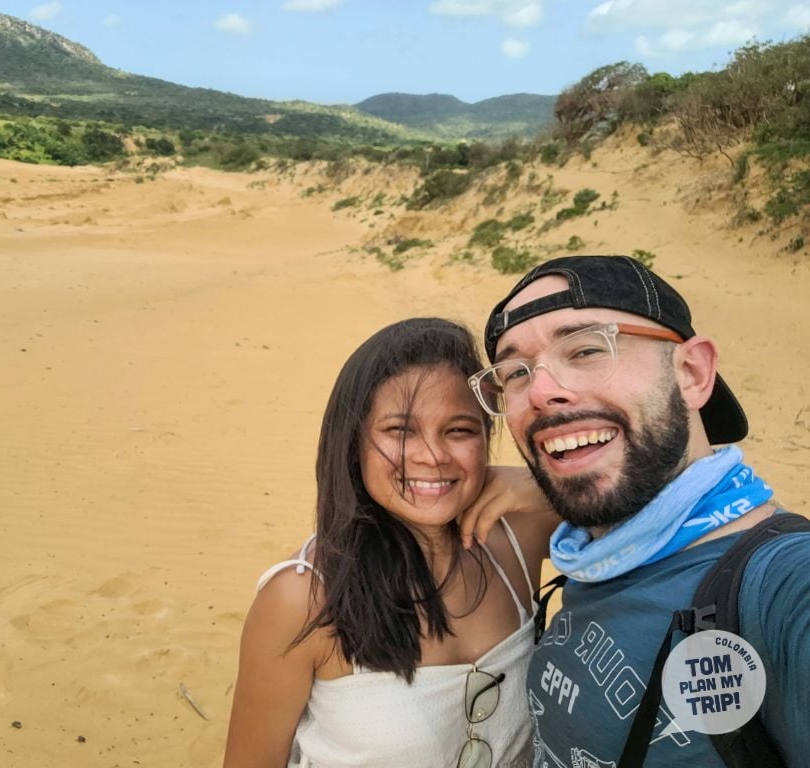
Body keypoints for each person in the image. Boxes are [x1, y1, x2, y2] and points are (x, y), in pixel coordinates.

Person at [475, 254, 810, 766]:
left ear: (693, 373)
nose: (541, 392)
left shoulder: (781, 586)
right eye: (515, 373)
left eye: (586, 348)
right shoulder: (593, 547)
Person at [223, 317, 559, 768]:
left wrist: (545, 486)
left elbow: (654, 514)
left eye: (459, 430)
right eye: (400, 431)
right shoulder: (301, 598)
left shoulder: (519, 536)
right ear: (353, 443)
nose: (433, 455)